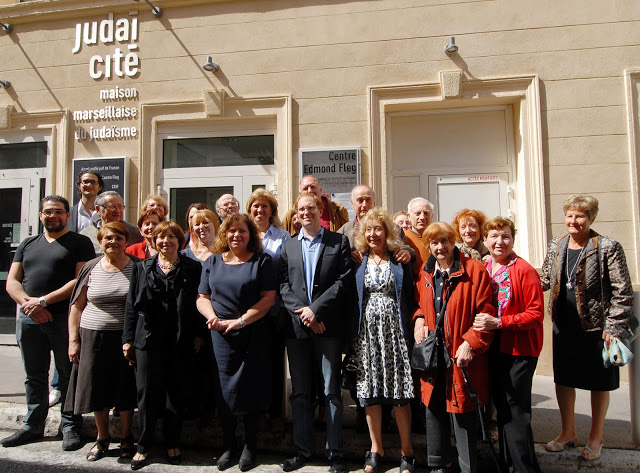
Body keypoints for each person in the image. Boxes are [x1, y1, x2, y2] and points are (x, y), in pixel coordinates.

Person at [540, 194, 635, 461]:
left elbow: (622, 291)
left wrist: (614, 326)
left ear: (591, 218)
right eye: (570, 215)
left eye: (580, 216)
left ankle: (596, 436)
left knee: (598, 383)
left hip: (597, 328)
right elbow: (546, 279)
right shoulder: (556, 245)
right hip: (563, 325)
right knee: (564, 379)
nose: (573, 220)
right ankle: (567, 432)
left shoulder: (607, 246)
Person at [1, 195, 95, 450]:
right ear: (41, 215)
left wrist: (43, 302)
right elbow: (12, 281)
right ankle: (33, 426)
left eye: (59, 212)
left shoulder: (79, 242)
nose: (53, 216)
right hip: (29, 319)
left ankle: (70, 427)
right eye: (48, 212)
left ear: (67, 215)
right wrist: (28, 305)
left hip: (63, 317)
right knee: (35, 376)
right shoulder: (28, 243)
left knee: (67, 374)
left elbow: (80, 281)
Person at [279, 192, 353, 473]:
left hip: (328, 328)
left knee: (331, 392)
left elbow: (343, 281)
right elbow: (283, 286)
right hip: (298, 330)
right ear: (296, 214)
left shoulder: (338, 241)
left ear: (320, 211)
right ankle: (303, 450)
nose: (306, 212)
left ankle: (335, 453)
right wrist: (305, 314)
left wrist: (317, 311)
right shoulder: (288, 246)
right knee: (300, 393)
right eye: (301, 209)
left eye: (311, 207)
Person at [413, 222, 495, 473]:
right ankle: (438, 464)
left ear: (453, 241)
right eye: (434, 243)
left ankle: (467, 466)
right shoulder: (425, 274)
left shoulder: (474, 270)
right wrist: (417, 318)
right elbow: (419, 304)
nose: (440, 247)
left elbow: (486, 313)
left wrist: (470, 343)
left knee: (462, 412)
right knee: (434, 409)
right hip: (433, 354)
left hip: (460, 354)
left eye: (445, 241)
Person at [197, 213, 276, 472]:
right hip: (220, 335)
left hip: (252, 334)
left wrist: (241, 321)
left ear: (250, 235)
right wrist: (213, 318)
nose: (236, 236)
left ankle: (249, 447)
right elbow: (202, 297)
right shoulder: (213, 262)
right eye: (231, 231)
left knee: (249, 389)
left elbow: (268, 299)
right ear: (224, 235)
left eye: (242, 231)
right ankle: (229, 445)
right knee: (224, 391)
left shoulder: (262, 261)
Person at [122, 221, 203, 470]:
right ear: (153, 241)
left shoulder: (192, 267)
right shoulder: (142, 268)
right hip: (148, 339)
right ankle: (143, 445)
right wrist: (127, 339)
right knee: (147, 393)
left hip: (180, 338)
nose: (165, 241)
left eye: (171, 237)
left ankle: (172, 442)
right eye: (160, 237)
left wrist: (199, 334)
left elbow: (199, 304)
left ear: (180, 241)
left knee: (174, 393)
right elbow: (130, 305)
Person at [473, 217, 543, 473]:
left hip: (519, 349)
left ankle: (525, 469)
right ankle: (508, 465)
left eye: (505, 237)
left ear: (513, 240)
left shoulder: (523, 269)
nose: (499, 242)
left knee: (515, 412)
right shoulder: (484, 265)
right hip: (494, 347)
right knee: (502, 410)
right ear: (486, 240)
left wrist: (500, 322)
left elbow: (535, 314)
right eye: (494, 236)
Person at [64, 222, 138, 462]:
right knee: (97, 388)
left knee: (124, 388)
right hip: (92, 335)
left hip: (125, 338)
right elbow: (76, 306)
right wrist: (73, 340)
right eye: (108, 237)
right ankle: (102, 437)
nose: (113, 242)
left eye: (118, 237)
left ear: (126, 242)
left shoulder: (137, 268)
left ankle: (127, 437)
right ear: (100, 241)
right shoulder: (90, 267)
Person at [351, 208, 415, 473]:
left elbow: (412, 294)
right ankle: (375, 448)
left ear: (387, 232)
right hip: (367, 335)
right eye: (369, 230)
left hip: (394, 334)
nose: (373, 234)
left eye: (378, 229)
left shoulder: (399, 260)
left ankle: (407, 451)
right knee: (370, 393)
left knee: (400, 393)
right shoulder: (358, 260)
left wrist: (409, 253)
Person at [246, 188, 290, 430]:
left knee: (273, 363)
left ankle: (274, 414)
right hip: (247, 309)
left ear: (272, 210)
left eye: (265, 206)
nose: (260, 210)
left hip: (273, 310)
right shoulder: (242, 233)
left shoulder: (283, 237)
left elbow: (285, 274)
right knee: (252, 363)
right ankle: (254, 412)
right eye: (255, 206)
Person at [282, 175, 349, 234]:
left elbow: (347, 233)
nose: (309, 190)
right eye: (305, 188)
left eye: (312, 187)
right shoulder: (291, 215)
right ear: (300, 194)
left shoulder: (337, 210)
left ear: (320, 190)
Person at [404, 197, 434, 278]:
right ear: (409, 216)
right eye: (418, 213)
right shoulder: (402, 240)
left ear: (432, 215)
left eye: (426, 213)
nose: (422, 217)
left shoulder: (438, 239)